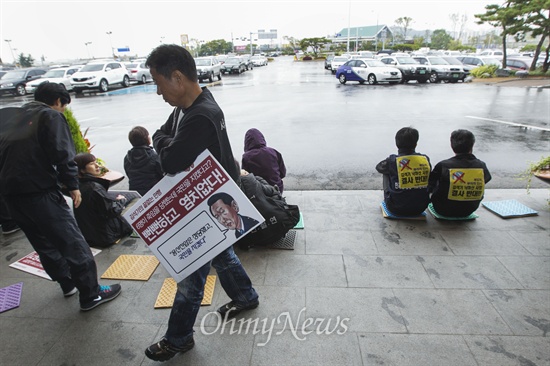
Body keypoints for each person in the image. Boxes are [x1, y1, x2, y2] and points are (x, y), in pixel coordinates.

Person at [145, 44, 259, 362]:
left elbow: (169, 159)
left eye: (158, 83)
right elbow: (162, 136)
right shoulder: (191, 106)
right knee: (221, 255)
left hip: (211, 204)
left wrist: (165, 143)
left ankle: (178, 338)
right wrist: (166, 142)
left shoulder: (201, 116)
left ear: (177, 77)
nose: (157, 92)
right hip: (208, 201)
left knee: (191, 277)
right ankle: (246, 296)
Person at [0, 82, 121, 311]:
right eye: (64, 106)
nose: (63, 111)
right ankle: (91, 295)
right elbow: (63, 153)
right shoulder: (50, 116)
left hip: (11, 197)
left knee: (43, 243)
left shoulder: (12, 116)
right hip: (40, 193)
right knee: (73, 242)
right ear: (57, 101)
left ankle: (67, 284)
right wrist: (73, 185)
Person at [73, 153, 133, 248]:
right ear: (82, 170)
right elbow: (112, 211)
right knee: (128, 198)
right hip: (106, 236)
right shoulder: (94, 188)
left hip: (91, 236)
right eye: (92, 164)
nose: (97, 165)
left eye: (96, 162)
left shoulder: (77, 186)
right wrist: (121, 201)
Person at [428, 129, 492, 217]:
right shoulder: (481, 165)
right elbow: (486, 179)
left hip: (443, 209)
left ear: (452, 145)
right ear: (472, 145)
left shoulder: (443, 165)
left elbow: (430, 185)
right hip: (469, 209)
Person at [375, 127, 431, 216]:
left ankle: (389, 195)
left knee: (386, 171)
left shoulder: (393, 160)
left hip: (395, 208)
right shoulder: (424, 159)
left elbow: (379, 167)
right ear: (416, 144)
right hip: (420, 208)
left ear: (397, 144)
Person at [242, 127, 286, 193]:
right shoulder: (273, 152)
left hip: (260, 192)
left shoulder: (246, 157)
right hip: (277, 189)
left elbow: (245, 178)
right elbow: (283, 173)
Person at [123, 126, 164, 196]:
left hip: (135, 194)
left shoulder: (127, 158)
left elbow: (129, 175)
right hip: (154, 193)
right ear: (147, 139)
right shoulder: (153, 156)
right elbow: (162, 174)